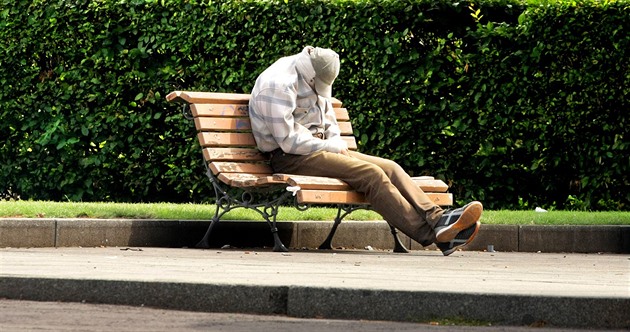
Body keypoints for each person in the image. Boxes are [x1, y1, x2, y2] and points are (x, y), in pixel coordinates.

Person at [248, 46, 482, 256]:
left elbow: (328, 120)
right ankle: (433, 236)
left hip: (318, 149)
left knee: (390, 167)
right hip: (288, 157)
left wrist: (334, 142)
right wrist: (330, 146)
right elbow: (288, 141)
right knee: (371, 175)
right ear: (310, 74)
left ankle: (439, 219)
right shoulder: (277, 84)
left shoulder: (319, 70)